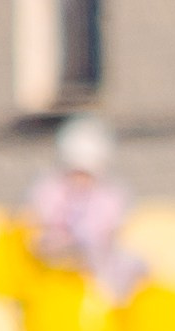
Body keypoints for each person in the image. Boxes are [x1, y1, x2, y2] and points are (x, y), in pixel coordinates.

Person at [25, 115, 143, 299]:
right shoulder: (51, 190)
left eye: (86, 174)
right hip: (56, 264)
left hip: (95, 268)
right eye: (75, 173)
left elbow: (106, 236)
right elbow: (39, 227)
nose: (80, 180)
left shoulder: (108, 197)